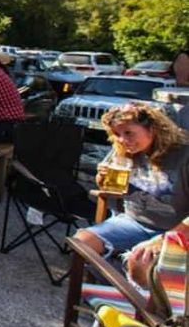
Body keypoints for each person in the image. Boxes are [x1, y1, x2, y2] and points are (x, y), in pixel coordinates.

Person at [75, 104, 188, 276]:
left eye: (128, 132)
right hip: (132, 222)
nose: (121, 139)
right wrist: (102, 177)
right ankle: (114, 290)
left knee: (141, 263)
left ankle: (139, 296)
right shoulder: (124, 149)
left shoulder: (183, 155)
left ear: (152, 128)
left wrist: (167, 239)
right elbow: (106, 186)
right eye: (117, 134)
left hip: (174, 230)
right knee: (82, 243)